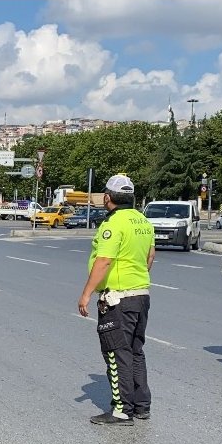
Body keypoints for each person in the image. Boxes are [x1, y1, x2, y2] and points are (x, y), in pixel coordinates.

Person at [76, 174, 155, 426]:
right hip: (140, 295)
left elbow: (104, 261)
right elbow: (150, 257)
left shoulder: (113, 223)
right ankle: (141, 406)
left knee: (115, 352)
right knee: (135, 351)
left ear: (107, 197)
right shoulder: (143, 221)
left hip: (117, 298)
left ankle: (121, 410)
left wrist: (87, 293)